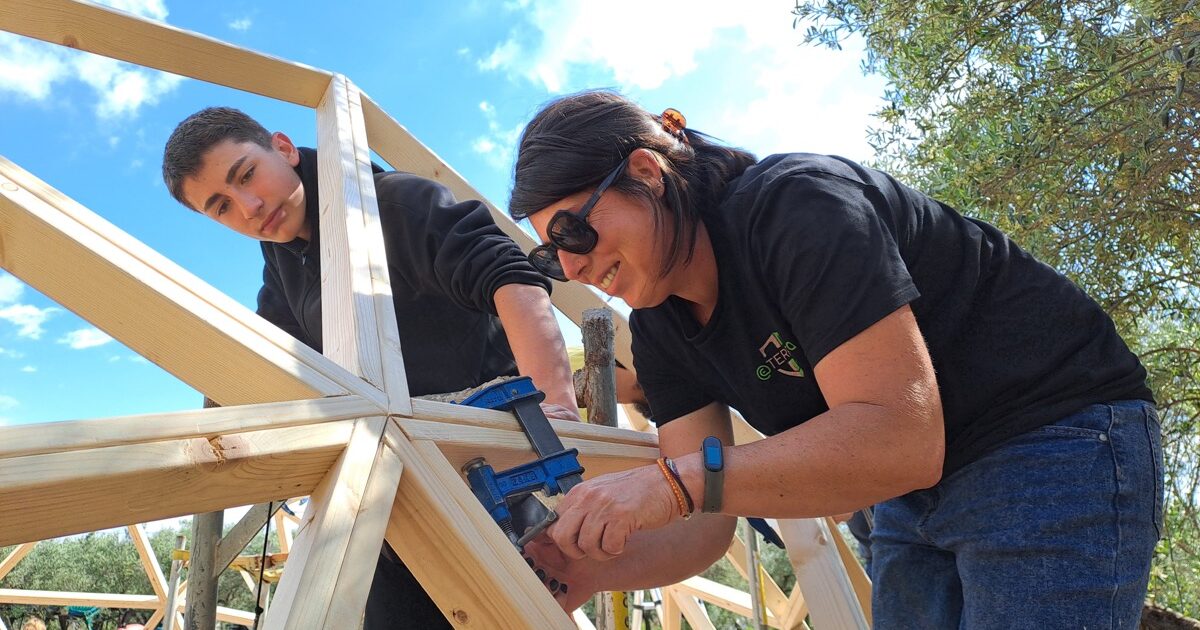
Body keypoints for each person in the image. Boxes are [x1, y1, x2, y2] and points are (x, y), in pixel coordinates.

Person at [509, 90, 1162, 628]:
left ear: (647, 174)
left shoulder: (797, 207)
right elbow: (705, 522)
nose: (571, 264)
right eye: (550, 253)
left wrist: (669, 482)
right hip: (908, 490)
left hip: (1048, 435)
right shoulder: (660, 328)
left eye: (573, 230)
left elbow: (900, 436)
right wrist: (587, 566)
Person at [161, 107, 579, 629]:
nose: (248, 207)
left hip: (496, 470)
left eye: (246, 175)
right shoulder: (283, 262)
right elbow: (275, 362)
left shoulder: (395, 204)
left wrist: (556, 412)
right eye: (220, 206)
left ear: (285, 149)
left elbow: (512, 280)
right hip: (394, 487)